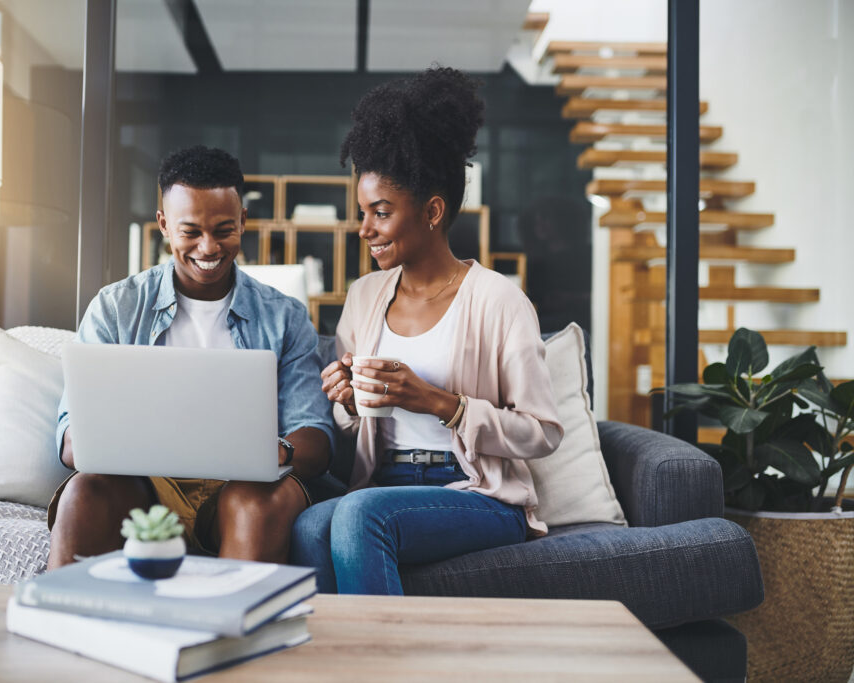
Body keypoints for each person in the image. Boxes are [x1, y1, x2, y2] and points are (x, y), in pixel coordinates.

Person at [289, 67, 564, 595]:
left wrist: (444, 404)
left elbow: (543, 431)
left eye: (381, 212)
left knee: (357, 517)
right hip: (384, 479)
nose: (364, 228)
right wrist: (344, 399)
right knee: (307, 526)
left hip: (476, 492)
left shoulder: (498, 300)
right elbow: (353, 431)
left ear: (432, 211)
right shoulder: (366, 296)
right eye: (362, 212)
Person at [48, 146, 333, 570]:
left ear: (242, 222)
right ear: (163, 224)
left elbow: (316, 435)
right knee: (83, 492)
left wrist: (279, 450)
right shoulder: (116, 307)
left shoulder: (284, 316)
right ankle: (63, 629)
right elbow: (72, 441)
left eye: (224, 230)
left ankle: (230, 631)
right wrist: (105, 441)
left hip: (243, 488)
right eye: (191, 232)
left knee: (255, 500)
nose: (208, 247)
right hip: (141, 488)